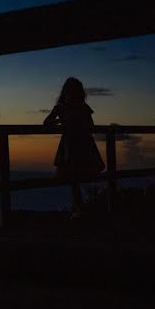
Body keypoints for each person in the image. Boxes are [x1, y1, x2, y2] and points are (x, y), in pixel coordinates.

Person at [43, 77, 105, 218]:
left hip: (76, 145)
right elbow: (47, 123)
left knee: (74, 178)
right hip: (78, 145)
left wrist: (62, 122)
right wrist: (61, 121)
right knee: (74, 179)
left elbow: (47, 123)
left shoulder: (71, 107)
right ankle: (81, 208)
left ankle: (82, 208)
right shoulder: (70, 107)